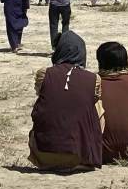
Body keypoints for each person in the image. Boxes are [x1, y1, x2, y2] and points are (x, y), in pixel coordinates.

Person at [28, 31, 104, 171]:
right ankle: (87, 151)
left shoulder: (44, 74)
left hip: (43, 154)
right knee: (97, 105)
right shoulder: (94, 79)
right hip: (77, 156)